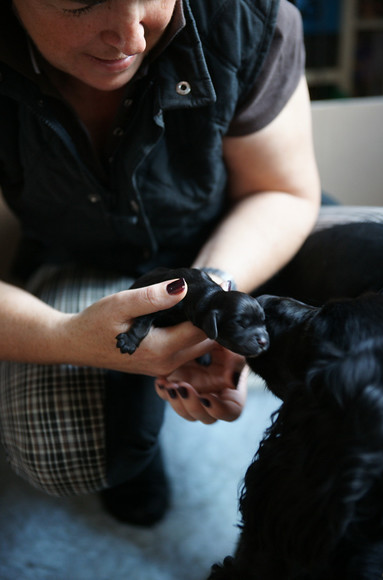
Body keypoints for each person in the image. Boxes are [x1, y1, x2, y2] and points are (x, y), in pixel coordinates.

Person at [0, 0, 321, 525]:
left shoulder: (248, 15)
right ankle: (130, 445)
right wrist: (65, 337)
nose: (130, 37)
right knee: (66, 448)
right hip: (83, 257)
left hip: (235, 229)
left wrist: (214, 297)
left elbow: (279, 191)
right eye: (80, 3)